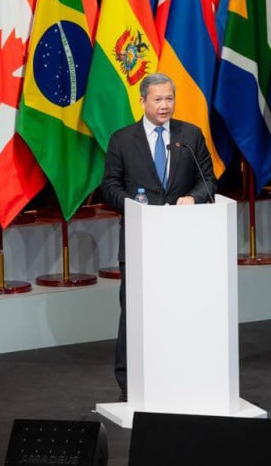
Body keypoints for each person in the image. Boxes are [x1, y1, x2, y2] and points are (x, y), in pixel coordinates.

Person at [100, 72, 217, 401]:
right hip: (140, 239)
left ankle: (181, 375)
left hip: (182, 242)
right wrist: (134, 206)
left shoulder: (190, 135)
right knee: (135, 311)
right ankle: (129, 382)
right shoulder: (123, 140)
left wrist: (193, 197)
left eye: (169, 98)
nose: (165, 105)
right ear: (142, 101)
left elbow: (208, 180)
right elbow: (109, 186)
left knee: (180, 309)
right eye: (158, 99)